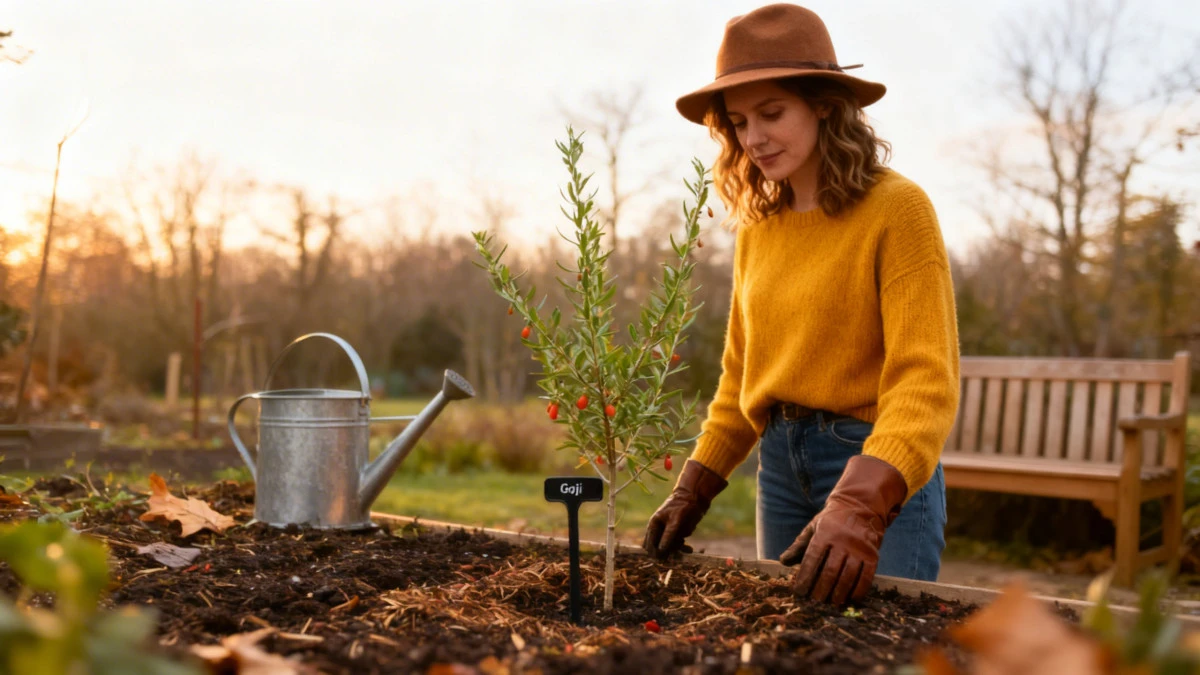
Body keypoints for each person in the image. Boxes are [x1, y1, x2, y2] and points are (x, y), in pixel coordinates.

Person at [642, 3, 960, 605]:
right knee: (790, 649)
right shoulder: (759, 227)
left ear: (822, 103)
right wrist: (697, 483)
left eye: (771, 112)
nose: (753, 137)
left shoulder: (899, 210)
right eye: (738, 121)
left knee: (876, 650)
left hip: (875, 465)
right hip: (781, 471)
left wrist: (863, 501)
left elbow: (926, 383)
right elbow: (742, 378)